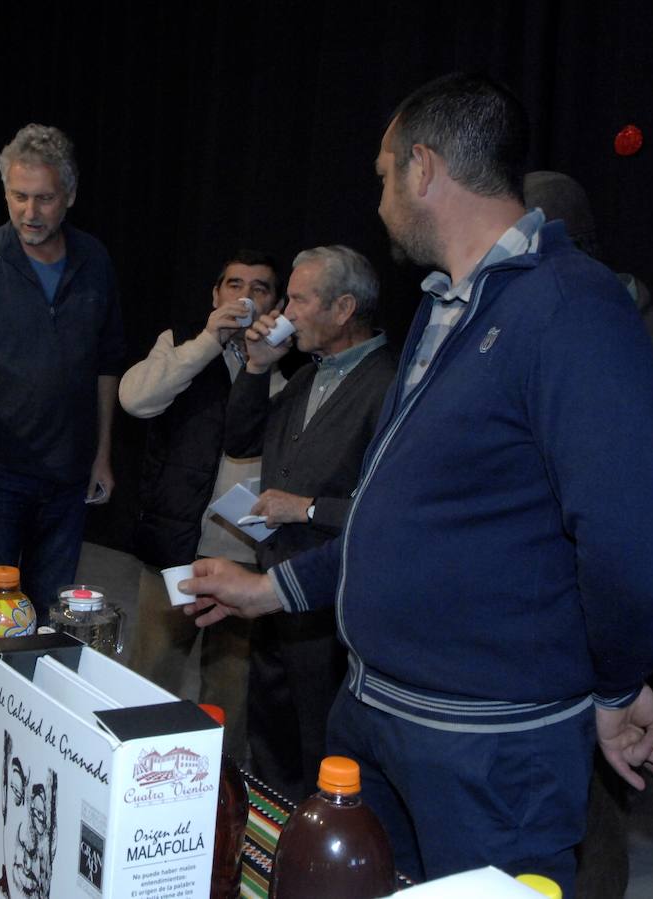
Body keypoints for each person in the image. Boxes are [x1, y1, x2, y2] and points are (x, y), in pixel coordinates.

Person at [179, 73, 653, 892]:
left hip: (486, 756)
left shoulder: (571, 311)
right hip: (378, 720)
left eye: (383, 173)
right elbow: (398, 519)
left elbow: (635, 553)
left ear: (423, 169)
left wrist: (619, 681)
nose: (378, 196)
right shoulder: (446, 309)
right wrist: (269, 590)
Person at [524, 169, 653, 898]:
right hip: (567, 630)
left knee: (591, 822)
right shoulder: (581, 332)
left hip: (632, 637)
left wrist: (607, 535)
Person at [225, 245, 397, 797]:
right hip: (273, 589)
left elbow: (397, 515)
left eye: (299, 298)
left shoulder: (388, 386)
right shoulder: (306, 375)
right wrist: (256, 368)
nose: (285, 312)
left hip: (332, 608)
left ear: (344, 308)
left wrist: (306, 508)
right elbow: (240, 439)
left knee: (321, 752)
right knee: (271, 740)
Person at [0, 124, 124, 615]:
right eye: (19, 196)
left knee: (52, 613)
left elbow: (106, 366)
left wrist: (101, 455)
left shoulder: (96, 261)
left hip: (68, 472)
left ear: (70, 196)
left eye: (44, 198)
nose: (29, 212)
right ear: (5, 191)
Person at [120, 249, 282, 765]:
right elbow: (135, 399)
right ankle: (138, 775)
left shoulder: (291, 366)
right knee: (153, 673)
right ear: (215, 295)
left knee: (231, 689)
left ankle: (221, 792)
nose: (245, 297)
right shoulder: (182, 344)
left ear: (276, 304)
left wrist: (266, 365)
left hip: (246, 557)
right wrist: (210, 341)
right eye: (234, 284)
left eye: (260, 288)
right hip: (175, 546)